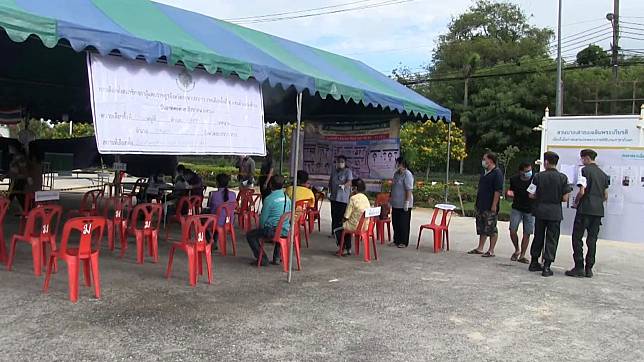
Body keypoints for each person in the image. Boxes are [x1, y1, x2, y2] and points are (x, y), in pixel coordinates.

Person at [566, 149, 609, 278]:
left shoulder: (584, 171)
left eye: (582, 159)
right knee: (592, 239)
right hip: (598, 211)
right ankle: (589, 268)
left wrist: (576, 202)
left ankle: (579, 266)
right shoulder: (604, 175)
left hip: (584, 209)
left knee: (577, 237)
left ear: (586, 158)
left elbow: (582, 191)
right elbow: (606, 196)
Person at [528, 151, 573, 277]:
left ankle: (534, 262)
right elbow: (565, 198)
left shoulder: (537, 176)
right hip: (555, 212)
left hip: (540, 210)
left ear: (546, 162)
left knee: (538, 236)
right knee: (552, 238)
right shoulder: (563, 178)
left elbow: (531, 194)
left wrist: (541, 196)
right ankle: (547, 266)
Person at [246, 175, 291, 266]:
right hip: (286, 230)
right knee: (280, 228)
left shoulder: (269, 199)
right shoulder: (288, 198)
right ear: (283, 185)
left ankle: (262, 258)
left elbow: (263, 219)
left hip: (272, 231)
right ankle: (277, 258)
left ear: (270, 185)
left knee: (250, 235)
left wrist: (261, 229)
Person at [469, 152, 504, 257]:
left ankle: (491, 250)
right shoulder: (485, 172)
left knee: (491, 227)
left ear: (491, 160)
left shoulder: (497, 173)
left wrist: (494, 205)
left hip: (490, 205)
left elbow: (498, 190)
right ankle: (480, 248)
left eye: (485, 159)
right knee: (482, 226)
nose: (483, 161)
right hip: (481, 204)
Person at [507, 161, 535, 263]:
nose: (529, 172)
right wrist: (509, 193)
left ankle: (522, 255)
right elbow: (511, 190)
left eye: (530, 170)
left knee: (527, 232)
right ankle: (517, 249)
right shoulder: (514, 179)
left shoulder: (534, 179)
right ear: (521, 172)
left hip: (530, 209)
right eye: (526, 171)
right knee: (512, 230)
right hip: (517, 207)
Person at [336, 178, 370, 256]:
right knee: (347, 225)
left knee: (338, 227)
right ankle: (348, 248)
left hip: (355, 226)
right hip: (365, 226)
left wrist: (342, 220)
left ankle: (343, 248)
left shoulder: (353, 198)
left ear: (355, 188)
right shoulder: (365, 198)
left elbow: (346, 216)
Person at [390, 157, 414, 248]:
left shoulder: (407, 174)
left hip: (404, 204)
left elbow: (409, 189)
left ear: (402, 164)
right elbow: (393, 187)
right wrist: (390, 198)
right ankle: (396, 240)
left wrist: (407, 202)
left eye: (398, 164)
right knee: (395, 223)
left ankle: (403, 241)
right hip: (395, 203)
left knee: (403, 223)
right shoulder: (396, 174)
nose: (396, 166)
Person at [328, 155, 353, 241]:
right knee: (334, 216)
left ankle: (341, 234)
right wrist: (328, 192)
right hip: (334, 197)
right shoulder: (334, 171)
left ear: (345, 163)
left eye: (342, 162)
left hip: (343, 198)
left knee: (341, 216)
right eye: (338, 162)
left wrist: (344, 185)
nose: (339, 163)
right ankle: (333, 232)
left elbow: (350, 182)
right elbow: (330, 182)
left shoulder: (348, 171)